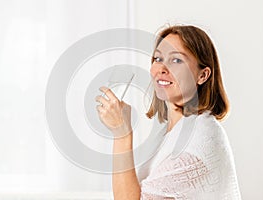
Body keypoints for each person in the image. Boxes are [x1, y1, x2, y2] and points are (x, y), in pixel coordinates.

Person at [95, 24, 241, 199]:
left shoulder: (197, 143)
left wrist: (122, 134)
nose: (161, 69)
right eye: (158, 59)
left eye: (177, 60)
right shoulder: (172, 132)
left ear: (202, 75)